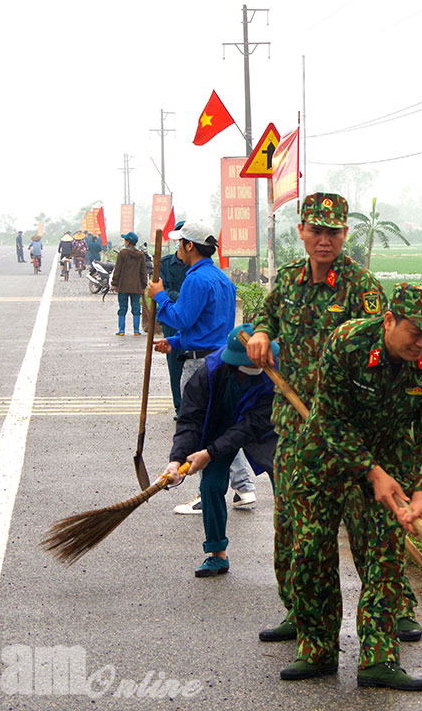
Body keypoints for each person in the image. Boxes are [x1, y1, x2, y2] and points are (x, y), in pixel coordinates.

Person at [247, 192, 422, 646]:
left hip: (351, 431)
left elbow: (378, 353)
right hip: (298, 428)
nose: (324, 240)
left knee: (370, 528)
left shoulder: (362, 287)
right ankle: (300, 612)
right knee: (292, 528)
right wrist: (263, 332)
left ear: (345, 235)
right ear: (302, 232)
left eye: (334, 232)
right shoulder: (287, 280)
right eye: (316, 230)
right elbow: (266, 315)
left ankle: (394, 609)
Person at [277, 283, 422, 691]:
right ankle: (318, 650)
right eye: (415, 332)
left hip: (391, 453)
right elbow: (329, 420)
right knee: (311, 551)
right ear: (389, 320)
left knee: (386, 556)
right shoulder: (350, 342)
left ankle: (379, 659)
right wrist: (370, 472)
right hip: (326, 453)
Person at [148, 220, 258, 513]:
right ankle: (245, 488)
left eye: (179, 242)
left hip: (200, 365)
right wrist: (176, 342)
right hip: (220, 358)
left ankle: (208, 495)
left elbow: (181, 318)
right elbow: (208, 326)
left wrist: (158, 295)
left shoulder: (195, 279)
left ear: (189, 246)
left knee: (203, 428)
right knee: (221, 426)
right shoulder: (221, 277)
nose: (176, 248)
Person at [163, 324, 279, 577]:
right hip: (219, 427)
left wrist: (209, 453)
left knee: (287, 482)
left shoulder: (276, 374)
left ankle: (294, 550)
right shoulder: (210, 373)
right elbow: (190, 418)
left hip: (264, 431)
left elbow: (252, 426)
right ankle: (217, 554)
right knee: (211, 486)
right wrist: (177, 458)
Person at [157, 220, 190, 416]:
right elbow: (162, 289)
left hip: (193, 319)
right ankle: (179, 406)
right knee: (175, 364)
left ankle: (194, 405)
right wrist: (182, 298)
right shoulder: (166, 264)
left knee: (197, 362)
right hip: (171, 320)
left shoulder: (196, 266)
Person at [110, 232, 148, 335]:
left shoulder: (122, 253)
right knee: (136, 308)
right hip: (136, 287)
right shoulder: (140, 255)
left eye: (125, 240)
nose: (124, 241)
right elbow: (143, 271)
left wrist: (114, 283)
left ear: (128, 242)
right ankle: (136, 331)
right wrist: (144, 285)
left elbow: (117, 269)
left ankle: (121, 330)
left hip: (123, 286)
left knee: (122, 308)